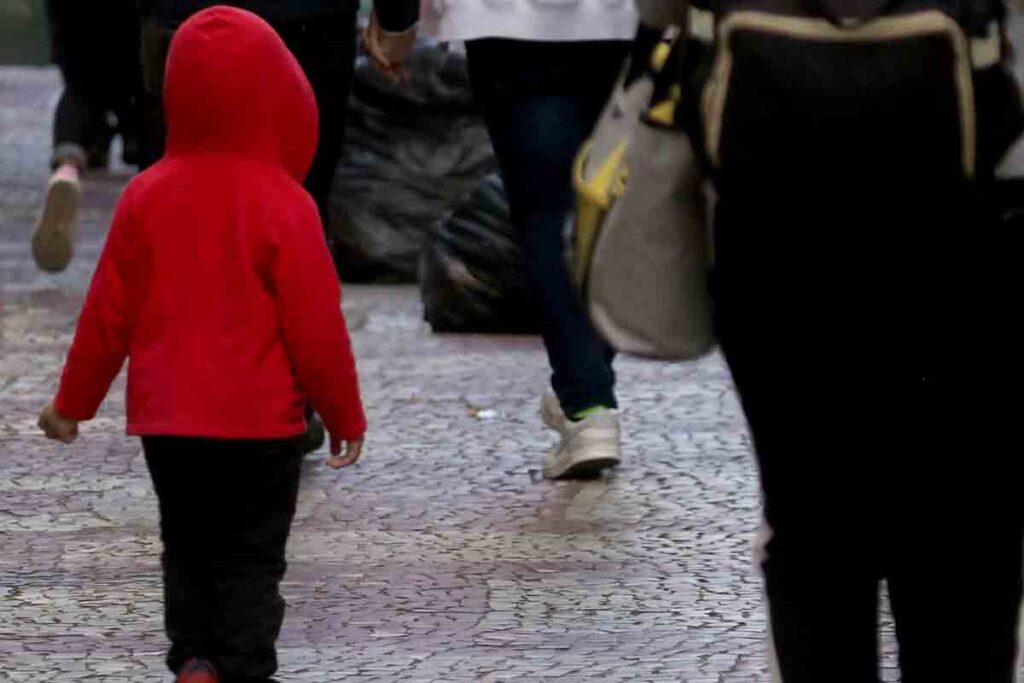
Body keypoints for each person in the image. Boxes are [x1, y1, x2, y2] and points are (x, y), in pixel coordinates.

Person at [637, 0, 1024, 680]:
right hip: (978, 201)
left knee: (814, 523)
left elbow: (659, 7)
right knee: (966, 520)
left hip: (773, 202)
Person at [36, 8, 377, 681]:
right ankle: (243, 664)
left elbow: (107, 316)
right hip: (261, 426)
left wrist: (71, 406)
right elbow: (317, 329)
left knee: (186, 546)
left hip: (169, 425)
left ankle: (192, 657)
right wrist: (343, 415)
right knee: (252, 556)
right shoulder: (287, 204)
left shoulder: (146, 196)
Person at [135, 0, 417, 454]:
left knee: (182, 204)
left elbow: (109, 302)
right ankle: (282, 400)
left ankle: (191, 391)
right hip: (303, 17)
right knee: (296, 206)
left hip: (181, 18)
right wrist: (398, 14)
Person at [421, 0, 638, 479]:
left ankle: (588, 404)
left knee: (546, 213)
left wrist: (396, 21)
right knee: (610, 206)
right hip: (629, 19)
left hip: (509, 22)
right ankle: (586, 386)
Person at [34, 0, 144, 273]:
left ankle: (66, 169)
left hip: (76, 22)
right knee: (146, 101)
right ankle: (153, 197)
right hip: (134, 30)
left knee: (80, 89)